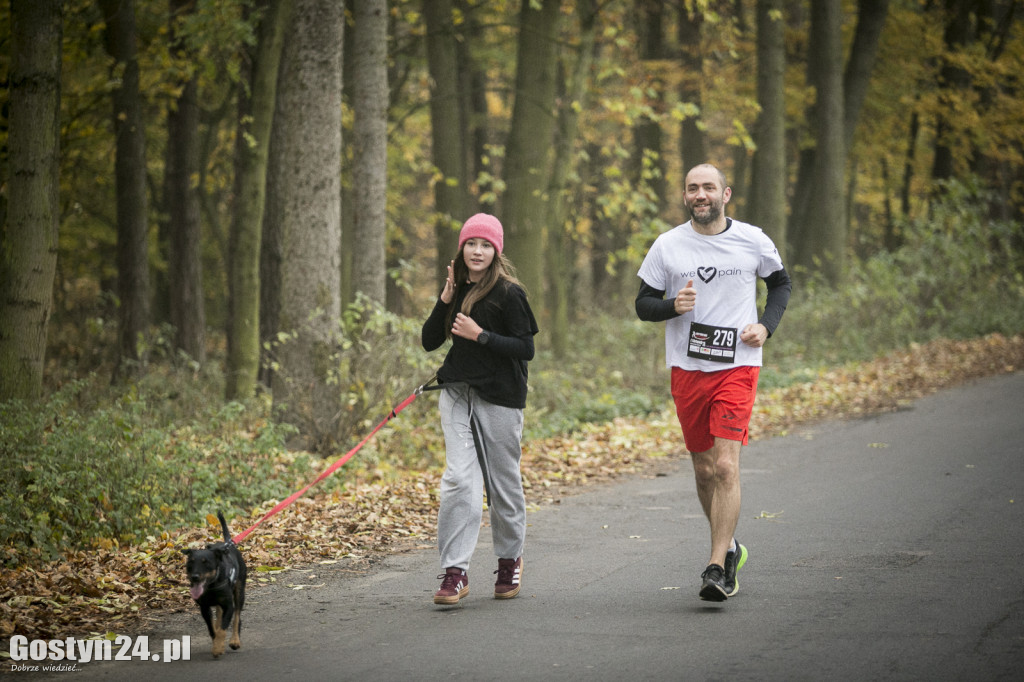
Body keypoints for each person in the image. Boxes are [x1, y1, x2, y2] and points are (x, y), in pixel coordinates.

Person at [635, 163, 792, 602]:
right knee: (704, 471)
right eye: (692, 188)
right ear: (685, 196)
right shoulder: (668, 246)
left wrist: (766, 326)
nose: (700, 194)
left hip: (738, 364)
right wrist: (672, 306)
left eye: (708, 187)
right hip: (687, 368)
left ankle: (716, 565)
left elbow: (781, 285)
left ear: (726, 194)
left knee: (725, 465)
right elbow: (642, 304)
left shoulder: (752, 239)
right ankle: (731, 548)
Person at [421, 213, 539, 605]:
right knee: (459, 480)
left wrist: (481, 335)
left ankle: (509, 560)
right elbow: (428, 341)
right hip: (456, 393)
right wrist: (443, 301)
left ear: (496, 250)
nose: (477, 250)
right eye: (472, 243)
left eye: (486, 245)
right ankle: (455, 572)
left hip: (501, 397)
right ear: (462, 246)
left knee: (502, 483)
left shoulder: (510, 293)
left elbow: (526, 349)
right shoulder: (456, 287)